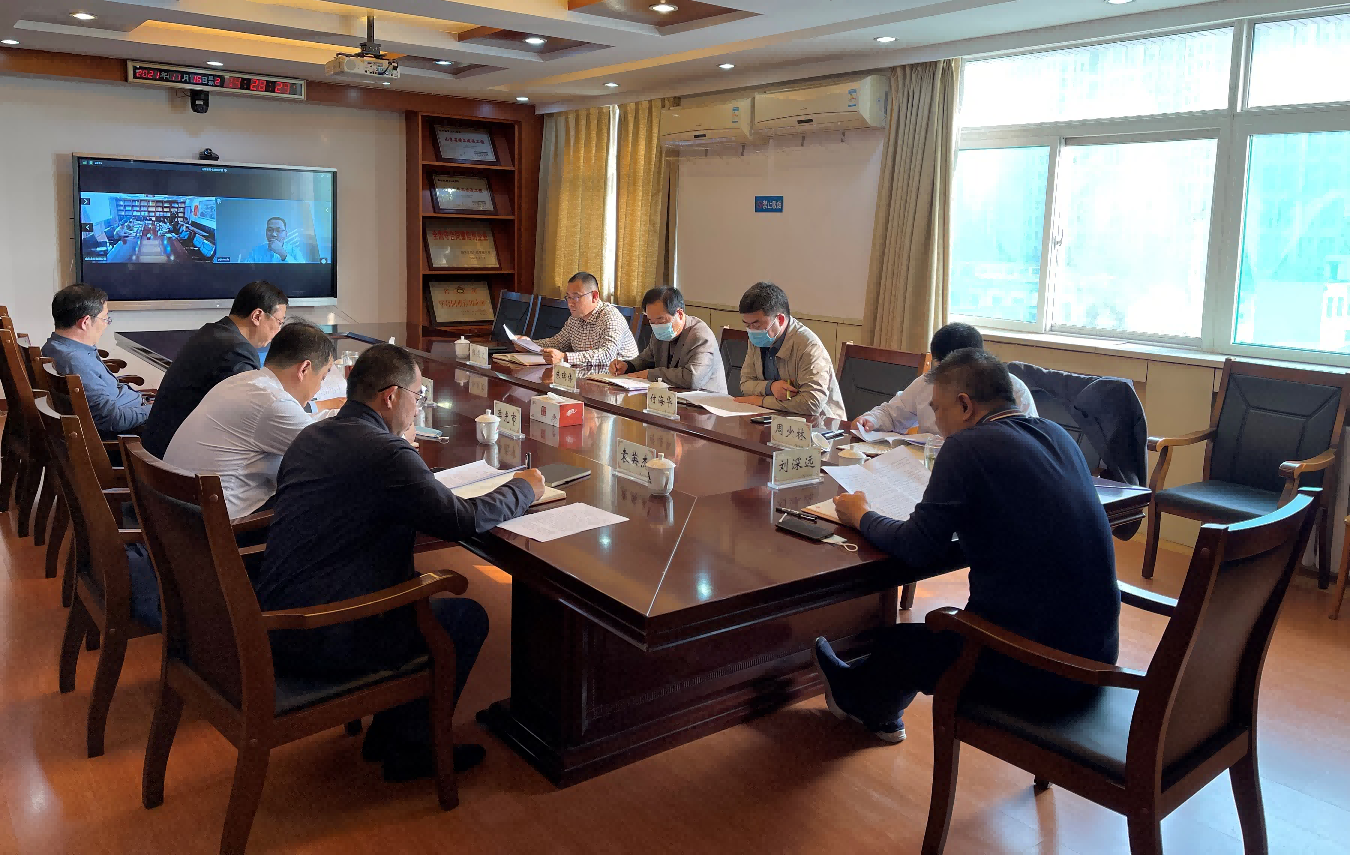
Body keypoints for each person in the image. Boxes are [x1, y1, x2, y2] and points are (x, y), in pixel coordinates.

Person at [253, 344, 547, 781]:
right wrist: (524, 488)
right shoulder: (386, 453)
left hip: (275, 616)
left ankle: (390, 732)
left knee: (420, 598)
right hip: (322, 632)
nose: (418, 406)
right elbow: (461, 521)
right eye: (417, 396)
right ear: (391, 397)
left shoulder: (312, 436)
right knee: (465, 617)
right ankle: (412, 746)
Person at [814, 349, 1120, 742]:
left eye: (937, 410)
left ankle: (862, 704)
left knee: (898, 642)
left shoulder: (967, 446)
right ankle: (875, 703)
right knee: (913, 643)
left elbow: (917, 548)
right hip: (1095, 656)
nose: (937, 422)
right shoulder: (1056, 434)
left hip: (1037, 667)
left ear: (964, 405)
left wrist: (861, 516)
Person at [163, 320, 337, 519]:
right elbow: (330, 452)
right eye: (322, 378)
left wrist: (346, 414)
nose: (319, 389)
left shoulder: (244, 381)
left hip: (178, 514)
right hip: (218, 526)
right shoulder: (273, 402)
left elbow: (306, 425)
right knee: (331, 495)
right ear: (304, 369)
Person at [140, 281, 289, 458]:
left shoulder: (211, 332)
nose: (278, 331)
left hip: (156, 450)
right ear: (257, 316)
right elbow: (257, 411)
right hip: (176, 460)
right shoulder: (237, 350)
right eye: (279, 322)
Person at [853, 322, 1037, 435]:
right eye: (941, 367)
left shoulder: (1013, 389)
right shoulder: (929, 381)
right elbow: (892, 414)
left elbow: (1026, 440)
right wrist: (871, 420)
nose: (946, 377)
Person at [42, 283, 151, 438]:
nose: (106, 324)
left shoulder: (53, 347)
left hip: (133, 408)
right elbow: (113, 419)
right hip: (131, 433)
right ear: (85, 322)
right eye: (105, 319)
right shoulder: (76, 362)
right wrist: (154, 410)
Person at [734, 281, 846, 420]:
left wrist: (760, 400)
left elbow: (812, 403)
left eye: (756, 325)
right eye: (747, 325)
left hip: (819, 425)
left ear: (780, 319)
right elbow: (745, 384)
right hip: (774, 419)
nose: (752, 331)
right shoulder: (757, 339)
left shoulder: (808, 345)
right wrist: (771, 387)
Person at [608, 286, 726, 393]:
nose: (656, 326)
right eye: (651, 321)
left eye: (661, 320)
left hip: (704, 402)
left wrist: (650, 374)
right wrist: (627, 366)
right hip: (671, 397)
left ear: (679, 314)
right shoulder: (659, 332)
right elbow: (645, 360)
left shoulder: (701, 336)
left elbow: (692, 378)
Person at [514, 272, 637, 371]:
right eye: (568, 297)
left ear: (594, 296)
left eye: (576, 297)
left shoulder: (611, 317)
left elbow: (607, 355)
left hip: (619, 381)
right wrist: (529, 345)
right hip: (588, 377)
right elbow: (558, 343)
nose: (570, 303)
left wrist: (564, 357)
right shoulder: (575, 318)